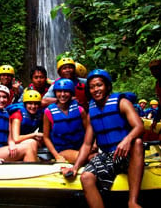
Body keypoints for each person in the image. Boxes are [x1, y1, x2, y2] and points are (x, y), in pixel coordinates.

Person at [61, 69, 144, 208]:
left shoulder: (122, 102)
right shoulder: (91, 111)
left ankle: (133, 201)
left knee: (138, 142)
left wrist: (126, 140)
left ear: (107, 86)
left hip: (125, 153)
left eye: (99, 85)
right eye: (92, 87)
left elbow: (139, 126)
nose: (95, 90)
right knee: (86, 177)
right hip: (107, 155)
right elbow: (87, 144)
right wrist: (75, 167)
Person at [0, 85, 37, 164]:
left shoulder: (6, 114)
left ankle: (31, 163)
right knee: (27, 148)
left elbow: (10, 139)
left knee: (32, 142)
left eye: (4, 97)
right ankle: (31, 173)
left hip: (1, 149)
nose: (1, 100)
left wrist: (12, 145)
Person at [43, 78, 93, 164]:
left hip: (82, 147)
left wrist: (89, 147)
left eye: (66, 91)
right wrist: (57, 156)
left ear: (71, 93)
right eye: (59, 91)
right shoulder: (48, 112)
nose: (62, 94)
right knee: (84, 157)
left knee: (91, 156)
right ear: (55, 93)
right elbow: (46, 137)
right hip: (63, 150)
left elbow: (88, 131)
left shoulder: (80, 110)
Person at [6, 89, 44, 161]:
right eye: (30, 103)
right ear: (25, 104)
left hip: (22, 141)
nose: (33, 106)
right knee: (32, 142)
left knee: (36, 142)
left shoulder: (38, 114)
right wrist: (34, 135)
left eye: (36, 104)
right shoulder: (17, 115)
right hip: (11, 144)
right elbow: (16, 139)